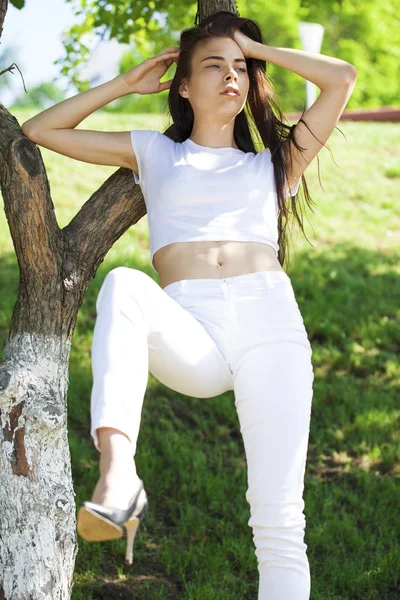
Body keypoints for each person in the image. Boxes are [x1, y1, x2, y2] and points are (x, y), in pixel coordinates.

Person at [21, 10, 357, 599]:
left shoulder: (276, 161)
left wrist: (258, 52)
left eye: (240, 68)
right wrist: (123, 86)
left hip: (270, 328)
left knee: (279, 522)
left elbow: (343, 78)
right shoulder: (154, 153)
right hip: (191, 331)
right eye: (213, 65)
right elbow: (40, 130)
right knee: (124, 283)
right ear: (182, 84)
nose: (231, 75)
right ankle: (119, 475)